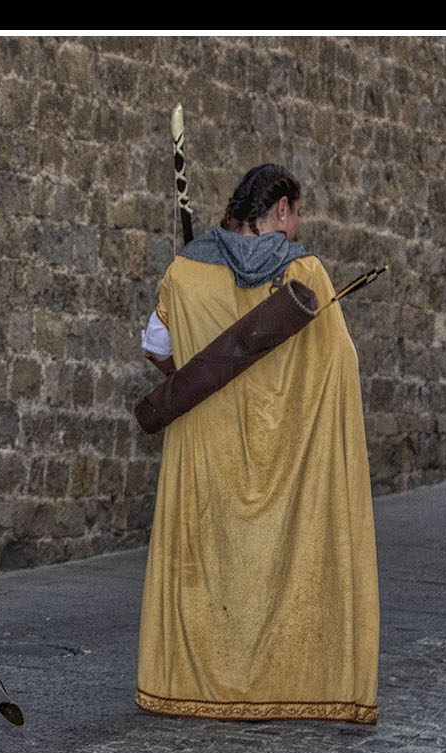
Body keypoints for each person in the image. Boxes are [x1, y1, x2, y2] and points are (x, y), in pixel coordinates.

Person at [135, 163, 379, 724]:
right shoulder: (306, 273)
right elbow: (339, 363)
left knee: (212, 565)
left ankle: (197, 685)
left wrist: (196, 372)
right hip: (287, 450)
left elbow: (155, 348)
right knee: (277, 565)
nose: (297, 229)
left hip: (207, 445)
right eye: (297, 216)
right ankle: (292, 683)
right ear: (281, 208)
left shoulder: (185, 270)